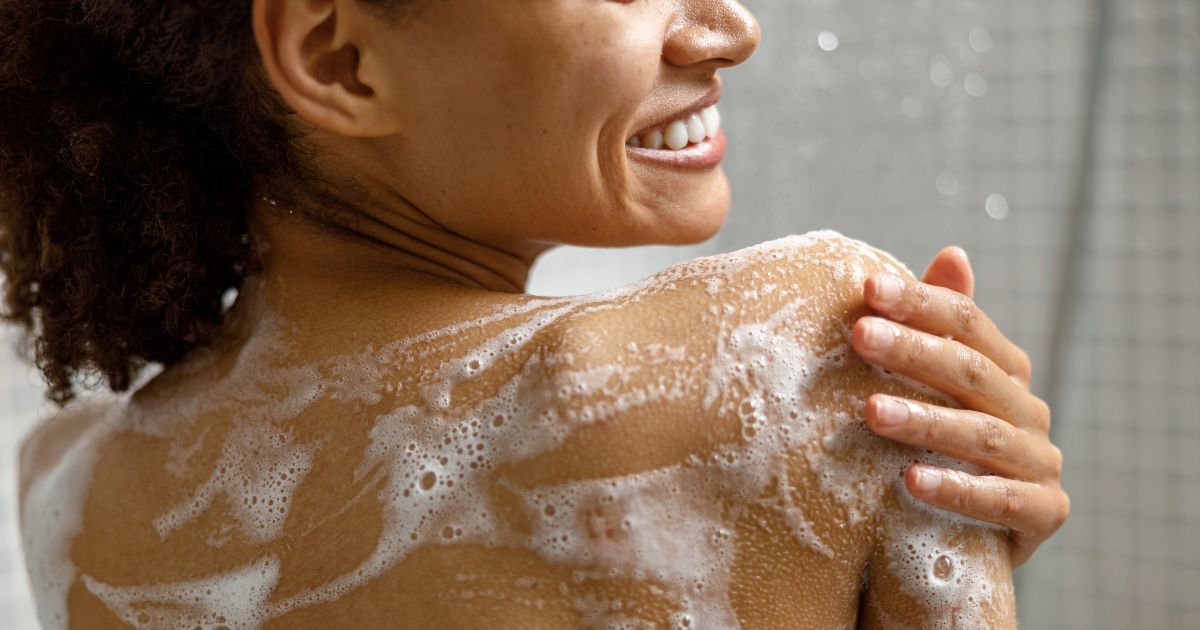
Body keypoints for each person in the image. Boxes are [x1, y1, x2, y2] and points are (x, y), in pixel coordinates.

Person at [2, 0, 1068, 627]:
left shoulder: (73, 492)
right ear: (341, 59)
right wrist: (921, 532)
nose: (728, 28)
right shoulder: (791, 352)